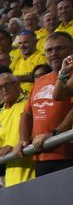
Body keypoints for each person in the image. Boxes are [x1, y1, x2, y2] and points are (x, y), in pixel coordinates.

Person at [21, 31, 73, 175]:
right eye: (49, 50)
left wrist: (55, 134)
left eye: (59, 48)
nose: (54, 53)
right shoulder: (41, 80)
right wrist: (23, 140)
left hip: (66, 154)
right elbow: (26, 113)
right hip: (41, 155)